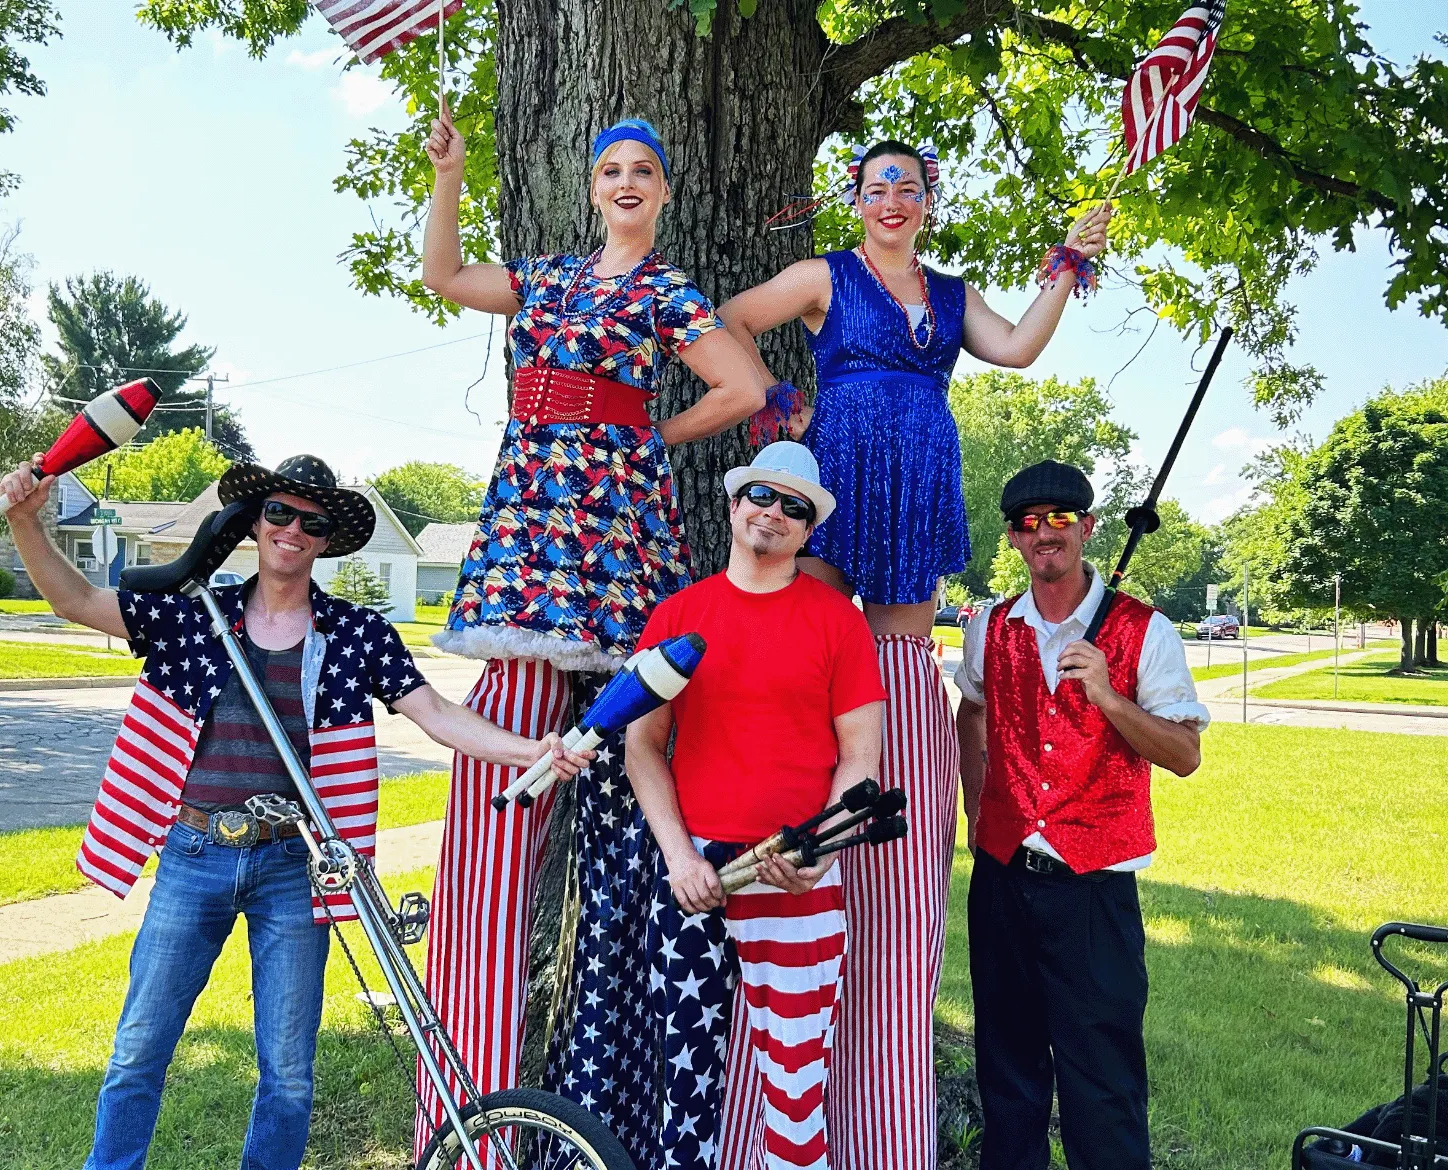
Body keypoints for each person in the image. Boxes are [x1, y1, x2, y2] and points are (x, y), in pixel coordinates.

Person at [0, 453, 589, 1170]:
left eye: (313, 522)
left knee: (288, 1073)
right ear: (254, 523)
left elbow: (435, 713)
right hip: (194, 853)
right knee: (139, 1049)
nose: (292, 530)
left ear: (327, 541)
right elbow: (77, 601)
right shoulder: (195, 614)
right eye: (279, 512)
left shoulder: (356, 635)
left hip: (296, 869)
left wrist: (530, 751)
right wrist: (26, 522)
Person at [713, 141, 1113, 1169]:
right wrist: (779, 407)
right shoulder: (824, 277)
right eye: (875, 186)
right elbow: (730, 320)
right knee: (808, 627)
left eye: (908, 186)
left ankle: (881, 798)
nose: (891, 199)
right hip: (839, 457)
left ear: (929, 202)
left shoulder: (951, 293)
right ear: (855, 201)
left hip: (921, 468)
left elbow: (1018, 349)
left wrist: (1066, 265)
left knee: (896, 651)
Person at [418, 106, 775, 1149]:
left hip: (613, 530)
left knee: (628, 761)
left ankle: (621, 1093)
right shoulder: (545, 277)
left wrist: (649, 434)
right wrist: (449, 177)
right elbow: (444, 277)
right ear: (592, 186)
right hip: (530, 528)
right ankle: (473, 1103)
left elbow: (744, 386)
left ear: (662, 193)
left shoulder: (666, 291)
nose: (625, 182)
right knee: (513, 758)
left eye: (642, 172)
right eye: (610, 168)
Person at [626, 442, 886, 1170]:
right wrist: (678, 857)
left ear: (807, 530)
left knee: (796, 1087)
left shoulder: (839, 622)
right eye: (761, 496)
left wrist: (820, 850)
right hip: (693, 873)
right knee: (683, 1083)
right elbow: (642, 745)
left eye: (793, 507)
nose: (773, 513)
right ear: (735, 504)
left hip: (794, 870)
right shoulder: (678, 616)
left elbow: (861, 758)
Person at [952, 461, 1208, 1170]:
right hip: (1003, 881)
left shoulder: (1144, 631)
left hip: (1093, 890)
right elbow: (971, 711)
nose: (1045, 533)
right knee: (1007, 1074)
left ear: (1087, 528)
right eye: (1029, 522)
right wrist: (977, 807)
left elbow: (1185, 753)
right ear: (1013, 537)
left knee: (1103, 1084)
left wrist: (1108, 696)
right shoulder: (990, 626)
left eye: (1060, 518)